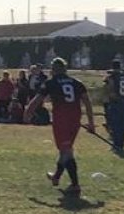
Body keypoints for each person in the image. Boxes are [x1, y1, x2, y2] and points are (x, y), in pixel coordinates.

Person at [25, 58, 95, 195]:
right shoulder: (77, 83)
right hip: (75, 119)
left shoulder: (51, 83)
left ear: (54, 69)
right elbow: (87, 102)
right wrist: (91, 122)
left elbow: (37, 100)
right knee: (65, 149)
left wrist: (27, 113)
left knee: (67, 151)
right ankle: (56, 176)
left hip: (61, 119)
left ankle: (75, 185)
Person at [102, 59, 124, 153]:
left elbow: (108, 87)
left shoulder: (112, 77)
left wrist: (111, 95)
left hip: (115, 102)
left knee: (114, 124)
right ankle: (121, 143)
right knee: (122, 124)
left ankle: (116, 144)